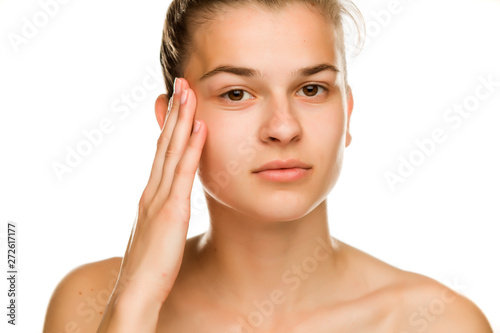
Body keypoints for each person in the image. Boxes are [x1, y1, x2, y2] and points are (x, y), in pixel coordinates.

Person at [43, 0, 494, 332]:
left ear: (348, 112)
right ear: (172, 123)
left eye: (312, 89)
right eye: (236, 93)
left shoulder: (438, 322)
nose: (283, 128)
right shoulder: (90, 303)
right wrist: (134, 302)